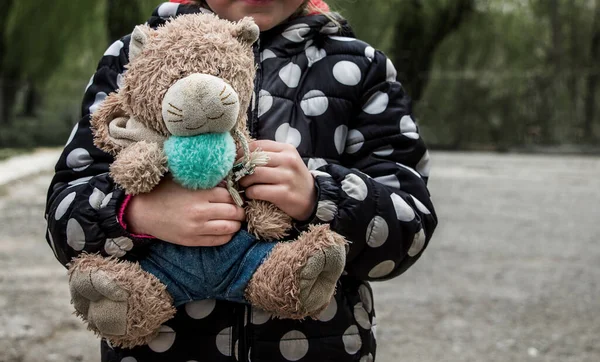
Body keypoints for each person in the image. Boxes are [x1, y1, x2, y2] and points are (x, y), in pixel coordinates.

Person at [45, 0, 438, 361]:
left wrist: (321, 196)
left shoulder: (361, 66)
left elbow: (410, 230)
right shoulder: (135, 54)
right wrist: (135, 213)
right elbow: (63, 221)